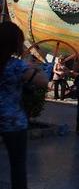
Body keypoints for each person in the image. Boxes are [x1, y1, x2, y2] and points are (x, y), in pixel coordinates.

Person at [0, 22, 48, 189]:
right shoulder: (16, 66)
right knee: (17, 166)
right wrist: (36, 68)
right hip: (13, 122)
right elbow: (43, 82)